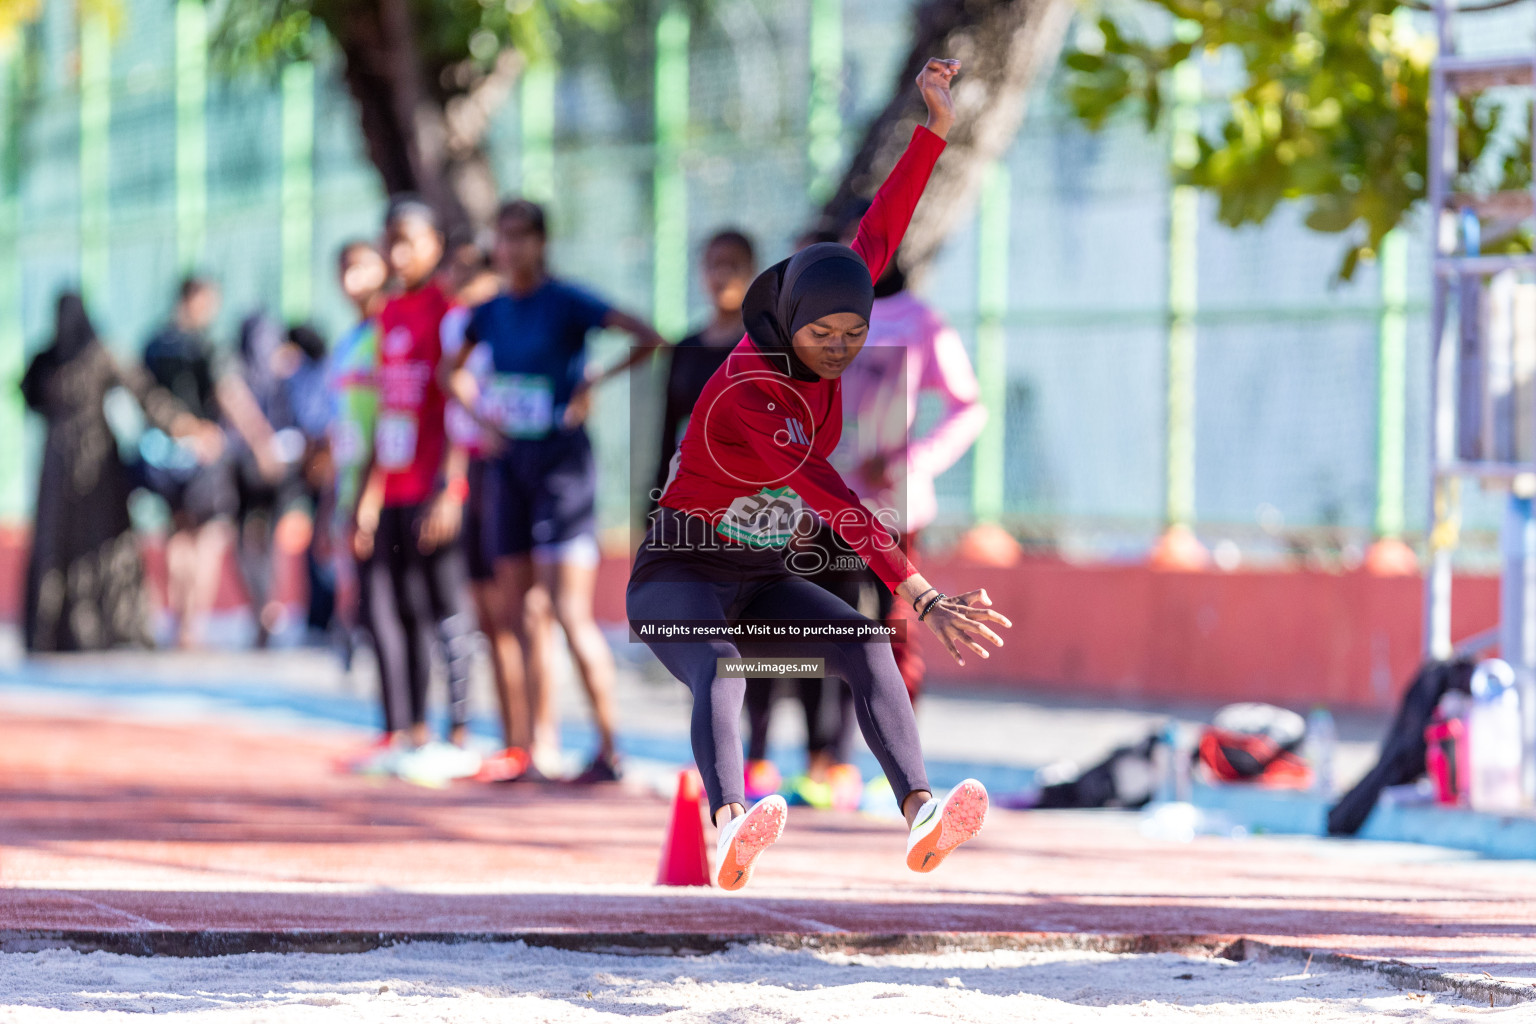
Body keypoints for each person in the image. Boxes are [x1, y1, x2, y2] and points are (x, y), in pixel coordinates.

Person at [627, 58, 1009, 891]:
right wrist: (923, 593)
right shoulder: (750, 391)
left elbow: (880, 231)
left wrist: (933, 132)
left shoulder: (835, 302)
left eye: (852, 334)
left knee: (864, 643)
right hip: (681, 571)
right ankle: (729, 826)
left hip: (760, 576)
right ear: (790, 322)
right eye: (822, 336)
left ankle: (921, 815)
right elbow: (832, 500)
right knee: (721, 662)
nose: (837, 350)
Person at [448, 198, 666, 783]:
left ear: (542, 242)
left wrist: (593, 381)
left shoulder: (569, 301)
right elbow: (454, 372)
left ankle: (609, 749)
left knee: (568, 612)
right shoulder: (488, 311)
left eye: (522, 236)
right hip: (508, 468)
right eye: (503, 236)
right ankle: (530, 746)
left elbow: (649, 337)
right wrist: (485, 420)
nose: (511, 247)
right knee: (518, 614)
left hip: (562, 470)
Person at [773, 246, 989, 811]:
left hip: (890, 509)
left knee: (894, 628)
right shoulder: (810, 319)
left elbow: (969, 408)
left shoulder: (920, 322)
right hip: (818, 502)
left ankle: (900, 770)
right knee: (814, 628)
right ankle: (824, 764)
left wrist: (904, 461)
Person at [353, 197, 480, 784]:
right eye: (390, 241)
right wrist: (370, 492)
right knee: (391, 609)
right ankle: (410, 732)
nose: (397, 252)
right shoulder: (387, 315)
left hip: (434, 486)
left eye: (408, 240)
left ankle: (459, 734)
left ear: (434, 244)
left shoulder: (448, 312)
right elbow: (388, 408)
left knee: (444, 610)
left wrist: (452, 488)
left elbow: (458, 407)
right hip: (394, 489)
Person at [21, 293, 215, 652]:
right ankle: (52, 634)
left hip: (97, 469)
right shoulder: (46, 360)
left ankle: (105, 630)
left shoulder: (101, 353)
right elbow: (26, 395)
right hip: (57, 472)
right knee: (55, 545)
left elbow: (143, 393)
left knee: (105, 544)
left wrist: (180, 425)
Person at [142, 276, 283, 648]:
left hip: (163, 454)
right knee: (207, 536)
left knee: (177, 536)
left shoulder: (153, 344)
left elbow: (144, 397)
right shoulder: (208, 345)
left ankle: (175, 623)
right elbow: (230, 394)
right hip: (203, 450)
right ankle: (192, 625)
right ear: (198, 300)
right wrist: (261, 440)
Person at [440, 239, 534, 782]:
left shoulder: (505, 325)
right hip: (474, 469)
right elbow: (453, 395)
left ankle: (526, 740)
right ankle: (508, 741)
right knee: (486, 614)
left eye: (470, 273)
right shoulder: (462, 326)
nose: (459, 283)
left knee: (514, 612)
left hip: (509, 468)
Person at [318, 240, 406, 767]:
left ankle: (412, 729)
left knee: (391, 604)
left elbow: (390, 414)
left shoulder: (389, 335)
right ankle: (391, 728)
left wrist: (371, 491)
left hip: (390, 485)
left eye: (362, 265)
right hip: (352, 485)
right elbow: (341, 425)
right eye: (343, 266)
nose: (352, 276)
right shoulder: (350, 338)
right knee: (370, 606)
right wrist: (338, 494)